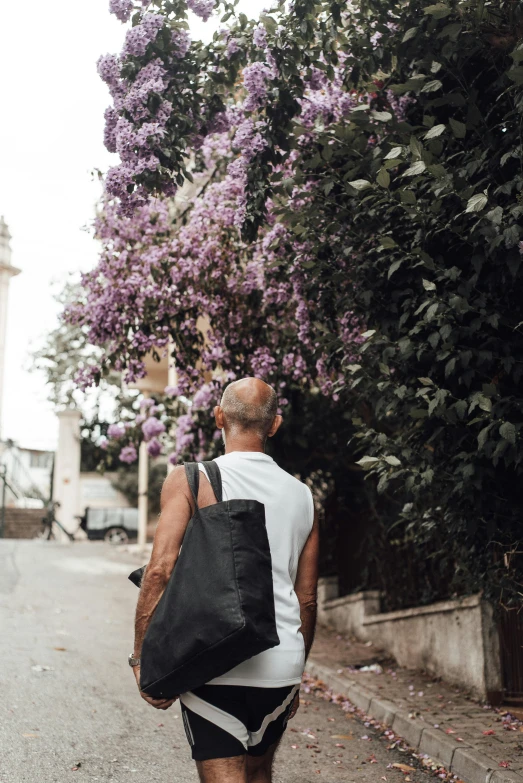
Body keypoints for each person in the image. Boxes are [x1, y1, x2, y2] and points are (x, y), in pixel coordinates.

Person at [130, 377, 319, 783]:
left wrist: (141, 657)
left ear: (218, 417)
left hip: (213, 661)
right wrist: (295, 671)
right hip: (281, 664)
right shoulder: (303, 496)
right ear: (274, 425)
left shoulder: (190, 479)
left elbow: (160, 569)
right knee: (259, 773)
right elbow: (307, 599)